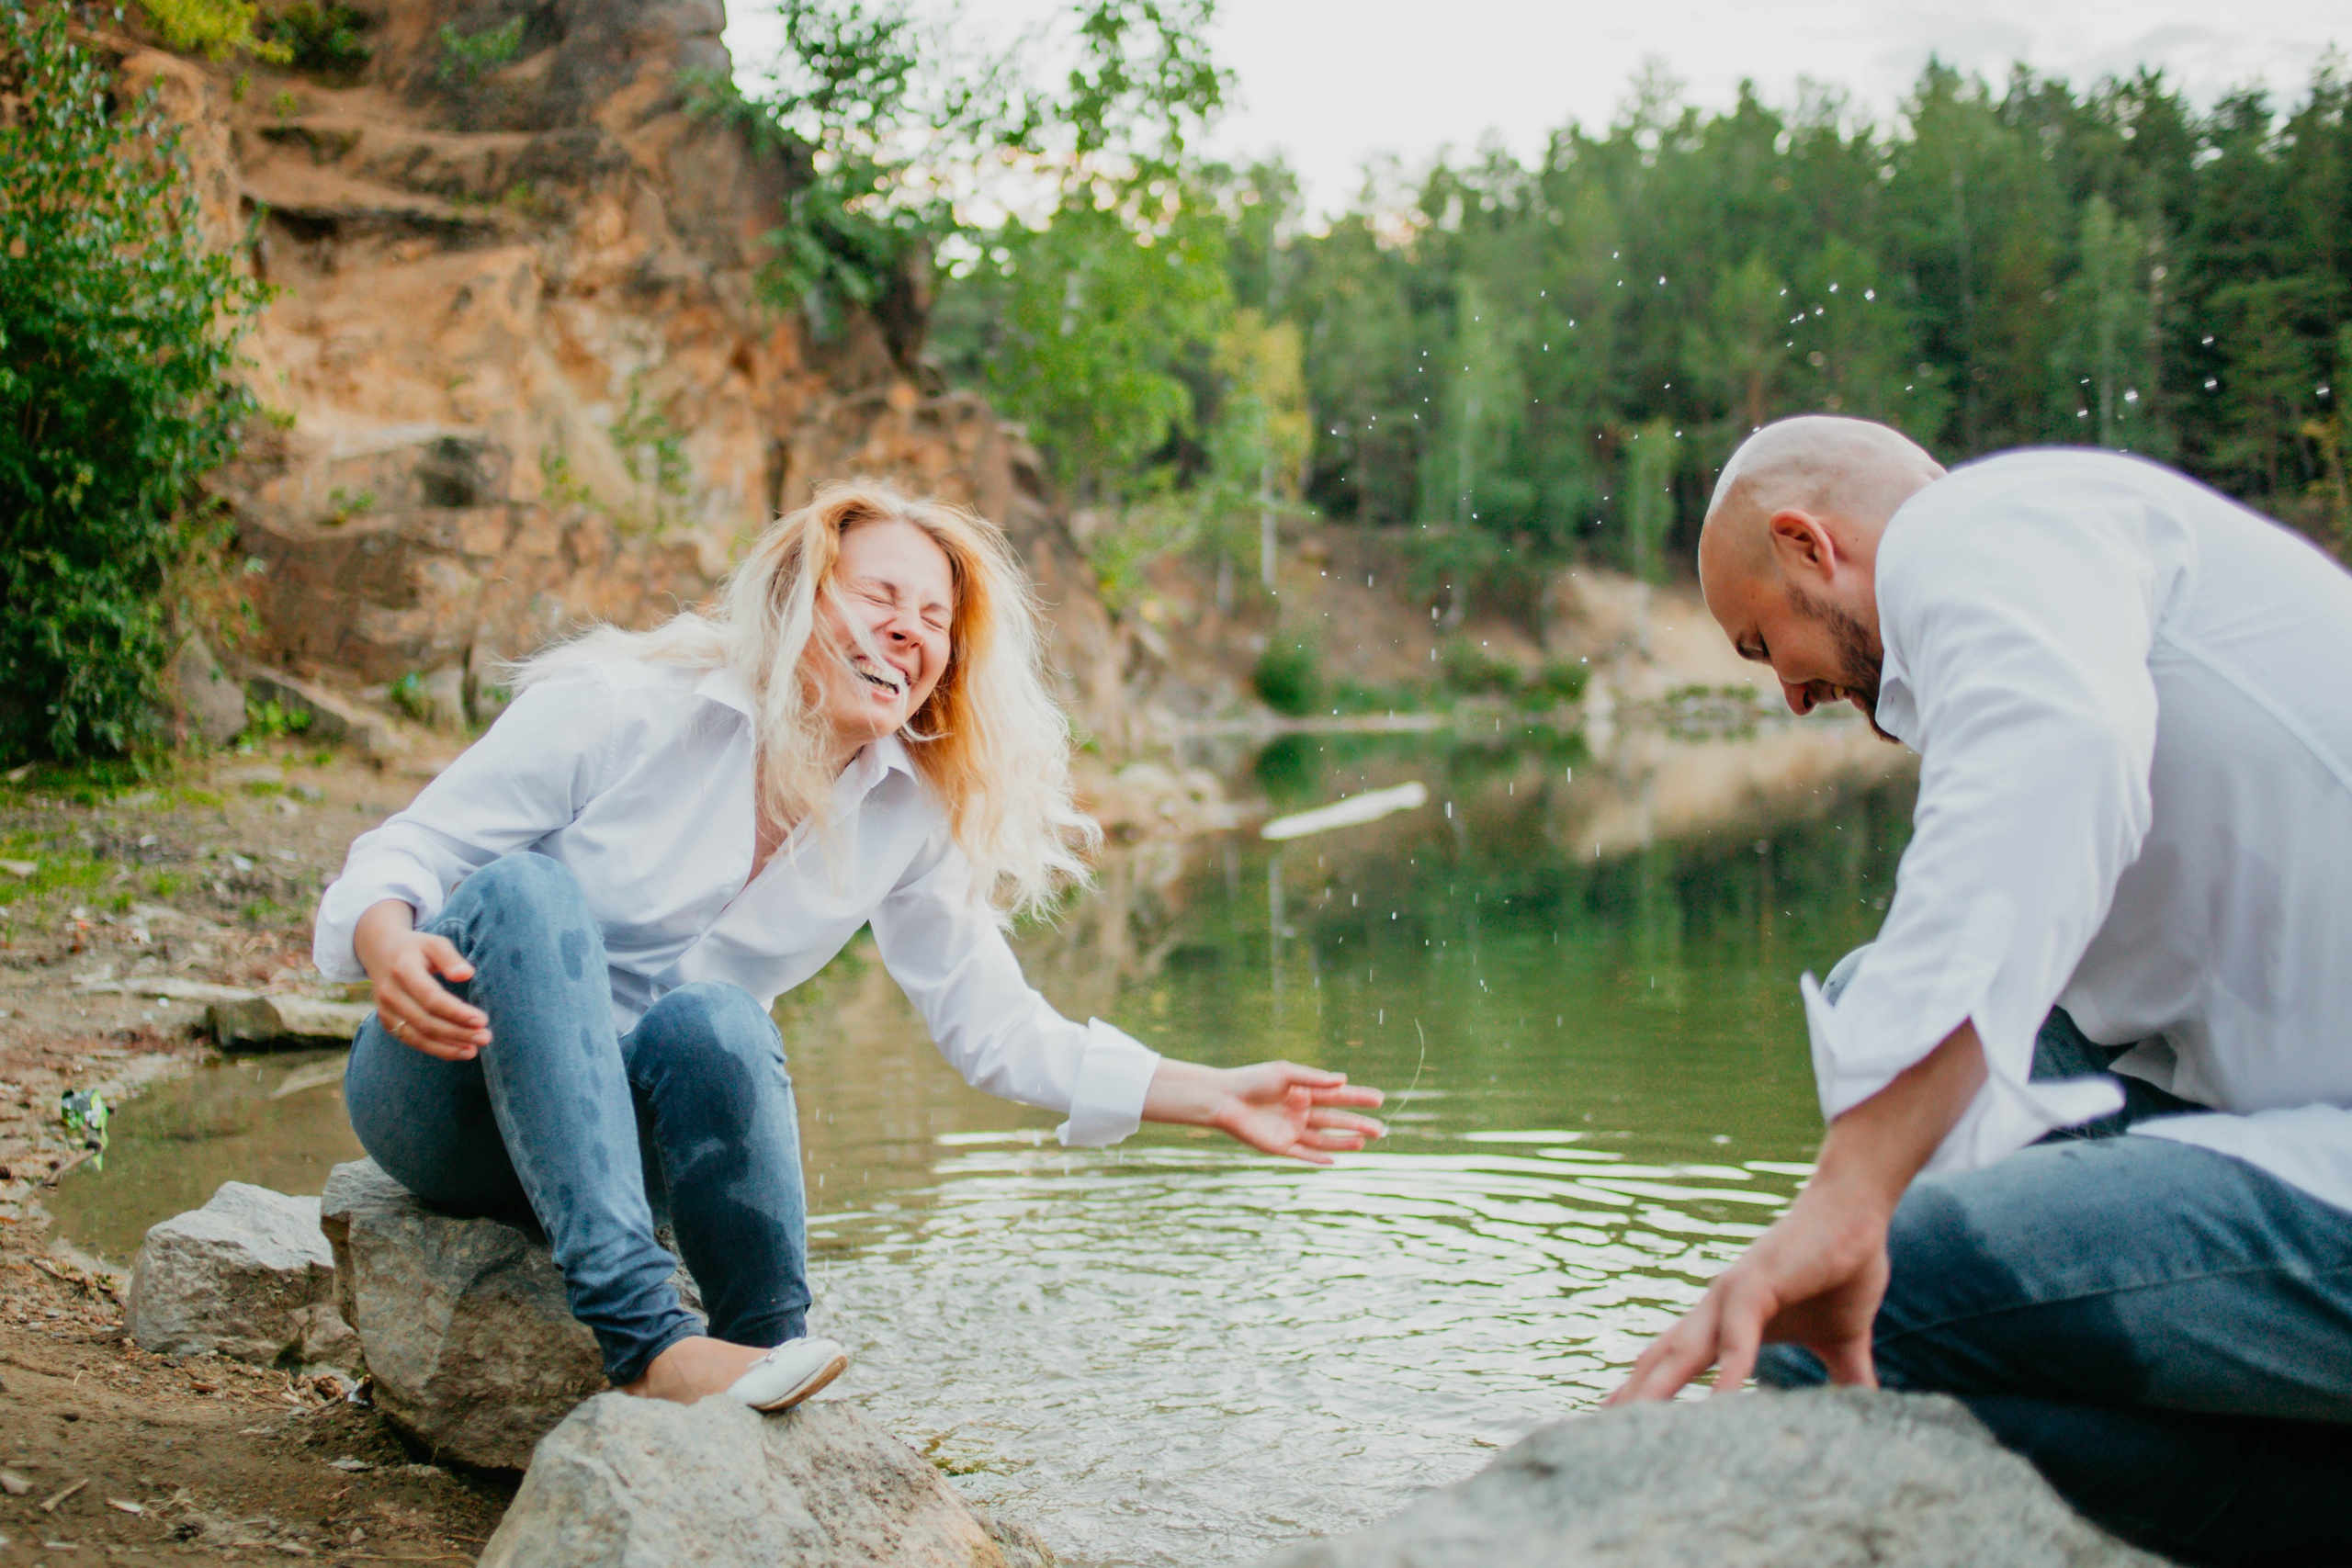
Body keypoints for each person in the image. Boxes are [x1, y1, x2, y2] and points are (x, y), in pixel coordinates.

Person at [314, 480, 1386, 1414]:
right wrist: (388, 942)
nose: (910, 630)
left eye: (935, 619)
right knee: (527, 894)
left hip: (617, 1153)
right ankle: (648, 1344)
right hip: (447, 1092)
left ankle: (774, 1359)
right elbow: (408, 847)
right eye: (880, 596)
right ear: (798, 597)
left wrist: (1211, 1096)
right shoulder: (625, 706)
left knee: (719, 1020)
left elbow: (995, 1026)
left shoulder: (906, 810)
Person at [1608, 416, 2352, 1564]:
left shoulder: (1982, 526)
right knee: (1874, 1006)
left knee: (1831, 1336)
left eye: (1762, 647)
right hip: (2287, 1113)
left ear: (1810, 546)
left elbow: (2062, 745)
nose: (1792, 700)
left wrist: (1847, 1203)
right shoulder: (2062, 564)